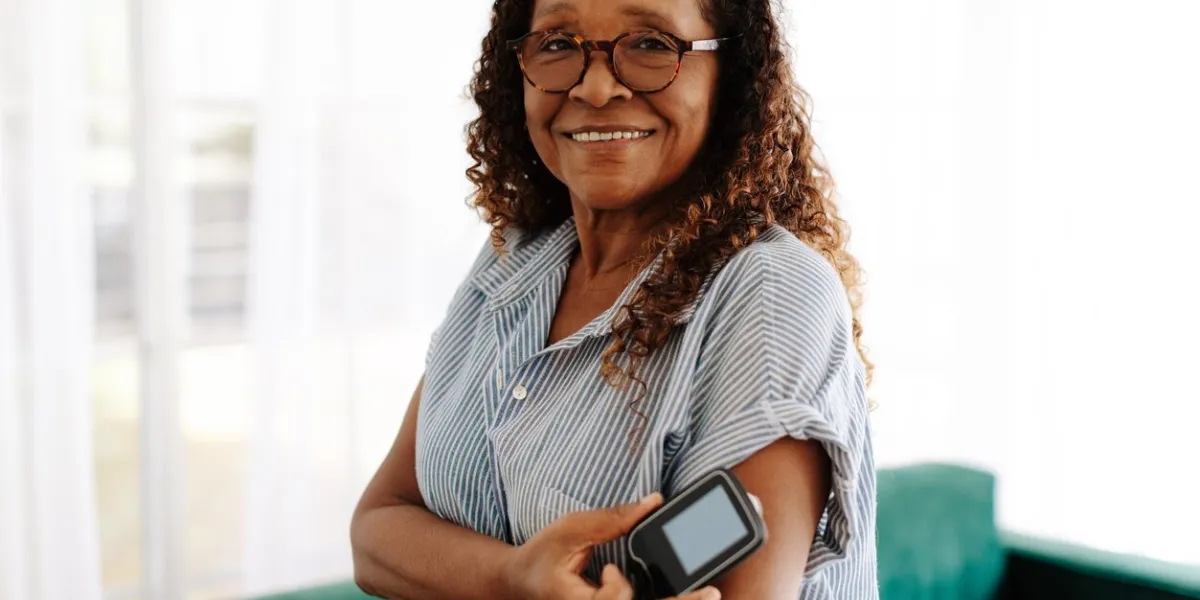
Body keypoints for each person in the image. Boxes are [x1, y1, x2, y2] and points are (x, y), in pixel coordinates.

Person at [350, 0, 877, 597]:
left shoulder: (773, 293)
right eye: (557, 43)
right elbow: (374, 532)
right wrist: (511, 579)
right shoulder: (513, 257)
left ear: (730, 75)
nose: (596, 87)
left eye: (651, 45)